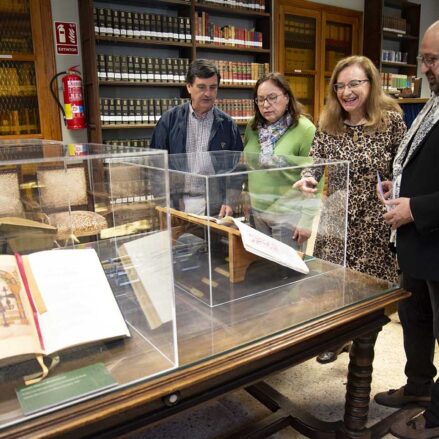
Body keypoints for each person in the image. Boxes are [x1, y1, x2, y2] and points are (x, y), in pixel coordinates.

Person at [293, 55, 406, 363]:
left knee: (369, 294)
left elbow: (403, 166)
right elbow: (314, 163)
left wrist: (395, 185)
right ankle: (338, 338)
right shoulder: (329, 121)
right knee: (333, 285)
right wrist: (307, 178)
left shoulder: (391, 121)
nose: (346, 92)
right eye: (340, 86)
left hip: (374, 224)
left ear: (371, 84)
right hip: (336, 222)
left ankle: (361, 355)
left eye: (354, 83)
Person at [373, 21, 439, 439]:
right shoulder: (433, 103)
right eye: (423, 59)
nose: (425, 69)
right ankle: (418, 386)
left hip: (434, 237)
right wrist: (397, 187)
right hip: (416, 244)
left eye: (433, 60)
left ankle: (437, 418)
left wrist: (415, 207)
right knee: (415, 319)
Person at [150, 58, 243, 217]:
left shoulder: (228, 124)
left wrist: (230, 200)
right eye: (201, 87)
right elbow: (155, 166)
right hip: (177, 205)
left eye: (213, 87)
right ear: (189, 87)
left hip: (215, 207)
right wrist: (164, 203)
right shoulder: (169, 120)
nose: (208, 93)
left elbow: (237, 169)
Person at [244, 72, 316, 249]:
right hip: (257, 210)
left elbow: (316, 178)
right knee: (263, 263)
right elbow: (249, 166)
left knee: (287, 266)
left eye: (272, 97)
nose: (266, 104)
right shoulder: (252, 127)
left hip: (288, 215)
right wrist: (246, 198)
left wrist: (307, 220)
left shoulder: (305, 129)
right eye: (260, 99)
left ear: (287, 97)